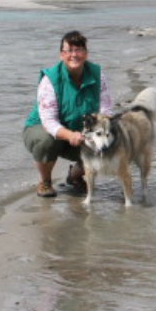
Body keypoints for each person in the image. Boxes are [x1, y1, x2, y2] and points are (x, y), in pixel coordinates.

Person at [23, 30, 114, 198]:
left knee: (107, 140)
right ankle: (45, 182)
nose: (74, 54)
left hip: (81, 133)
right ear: (61, 55)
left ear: (85, 53)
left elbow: (106, 111)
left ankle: (74, 177)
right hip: (42, 130)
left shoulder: (98, 75)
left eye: (78, 49)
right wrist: (70, 135)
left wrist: (97, 135)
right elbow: (49, 122)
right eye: (69, 50)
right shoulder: (50, 80)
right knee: (48, 139)